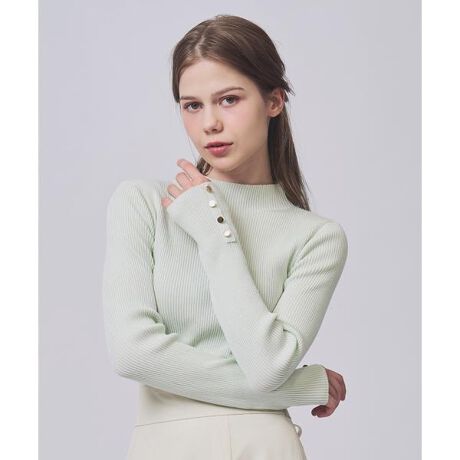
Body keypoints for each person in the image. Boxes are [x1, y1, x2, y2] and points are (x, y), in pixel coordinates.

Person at [102, 14, 348, 460]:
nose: (210, 123)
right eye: (192, 105)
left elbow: (266, 366)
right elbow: (133, 354)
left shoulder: (317, 238)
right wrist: (301, 387)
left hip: (267, 447)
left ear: (274, 101)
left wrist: (213, 229)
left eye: (229, 99)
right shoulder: (143, 203)